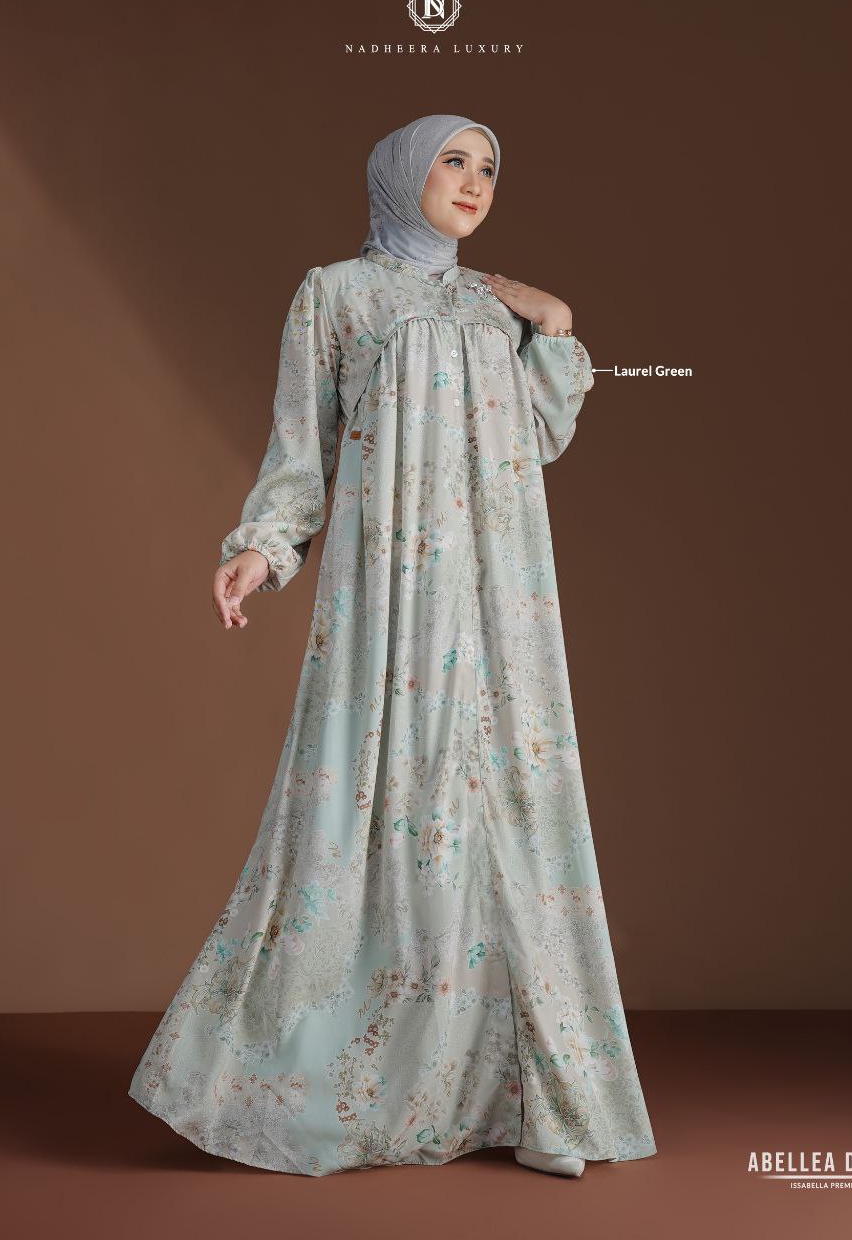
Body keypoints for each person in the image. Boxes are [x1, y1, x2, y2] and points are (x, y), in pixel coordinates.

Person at [128, 114, 658, 1179]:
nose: (475, 181)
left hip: (502, 596)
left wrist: (554, 322)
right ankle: (350, 1082)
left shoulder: (494, 310)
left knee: (505, 808)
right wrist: (262, 549)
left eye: (489, 166)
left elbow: (537, 437)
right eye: (453, 161)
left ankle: (519, 1094)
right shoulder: (336, 295)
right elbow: (303, 449)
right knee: (379, 803)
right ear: (403, 172)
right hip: (390, 595)